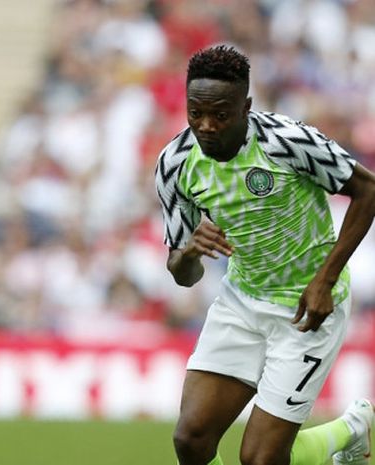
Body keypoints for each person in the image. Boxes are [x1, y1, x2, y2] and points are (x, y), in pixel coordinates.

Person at [155, 45, 375, 465]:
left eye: (220, 114)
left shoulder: (289, 141)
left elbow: (368, 190)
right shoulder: (175, 163)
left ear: (246, 107)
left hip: (305, 308)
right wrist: (188, 252)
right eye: (195, 112)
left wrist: (324, 281)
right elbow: (183, 274)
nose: (206, 126)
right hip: (241, 302)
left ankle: (349, 429)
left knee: (260, 459)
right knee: (191, 440)